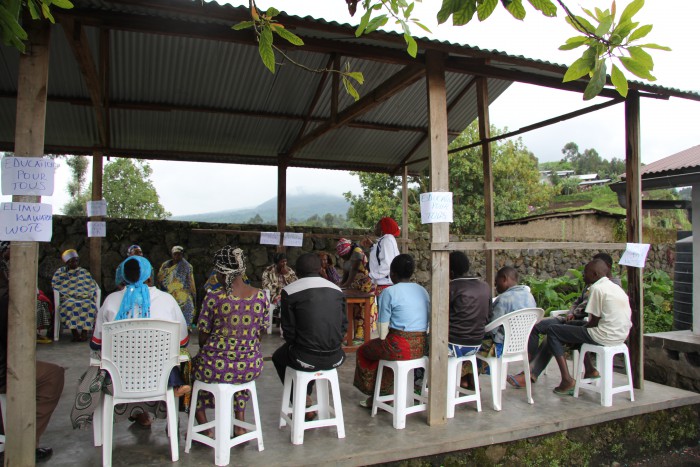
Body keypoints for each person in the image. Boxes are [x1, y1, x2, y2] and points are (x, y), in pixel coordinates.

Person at [89, 255, 191, 426]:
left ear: (123, 277)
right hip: (160, 377)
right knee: (181, 356)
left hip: (119, 379)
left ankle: (139, 415)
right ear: (149, 277)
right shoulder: (168, 300)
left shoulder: (110, 301)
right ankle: (175, 388)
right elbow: (183, 341)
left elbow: (96, 344)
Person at [508, 253, 620, 389]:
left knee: (553, 333)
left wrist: (578, 319)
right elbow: (577, 301)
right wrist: (572, 312)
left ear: (604, 268)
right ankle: (529, 367)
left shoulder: (610, 286)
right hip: (572, 319)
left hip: (588, 323)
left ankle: (531, 374)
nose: (585, 274)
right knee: (536, 326)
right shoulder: (592, 284)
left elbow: (595, 316)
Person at [193, 246, 269, 436]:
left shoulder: (214, 297)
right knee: (238, 372)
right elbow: (259, 334)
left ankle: (205, 427)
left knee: (186, 373)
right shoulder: (260, 296)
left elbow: (202, 339)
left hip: (216, 367)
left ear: (220, 271)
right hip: (251, 365)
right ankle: (240, 424)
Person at [0, 260, 64, 462]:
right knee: (53, 375)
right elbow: (15, 340)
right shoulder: (5, 300)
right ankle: (25, 441)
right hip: (4, 370)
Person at [272, 253, 347, 420]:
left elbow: (288, 330)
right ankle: (305, 397)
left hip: (305, 356)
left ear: (297, 272)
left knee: (281, 357)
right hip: (336, 356)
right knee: (306, 353)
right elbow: (343, 326)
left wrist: (298, 344)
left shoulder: (289, 291)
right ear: (321, 269)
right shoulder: (337, 290)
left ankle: (302, 400)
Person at [353, 254, 429, 408]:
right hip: (422, 346)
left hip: (399, 346)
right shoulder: (422, 290)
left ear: (392, 273)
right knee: (385, 351)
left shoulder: (389, 292)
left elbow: (382, 333)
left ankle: (377, 396)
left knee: (365, 350)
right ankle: (398, 392)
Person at [548, 259, 632, 395]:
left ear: (594, 274)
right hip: (620, 335)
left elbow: (593, 323)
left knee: (553, 331)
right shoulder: (615, 287)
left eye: (585, 272)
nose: (583, 275)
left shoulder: (597, 288)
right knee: (574, 328)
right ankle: (590, 370)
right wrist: (575, 328)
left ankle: (567, 380)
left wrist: (576, 332)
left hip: (604, 334)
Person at [464, 266, 536, 383]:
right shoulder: (529, 296)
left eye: (497, 283)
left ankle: (469, 380)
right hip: (520, 345)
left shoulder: (503, 299)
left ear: (504, 279)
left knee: (470, 344)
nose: (496, 287)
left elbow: (491, 329)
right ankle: (470, 380)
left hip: (500, 347)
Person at [447, 251, 492, 390]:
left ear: (450, 271)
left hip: (453, 345)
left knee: (426, 344)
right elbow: (489, 315)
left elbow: (439, 317)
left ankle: (424, 385)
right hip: (477, 344)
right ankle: (464, 380)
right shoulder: (485, 286)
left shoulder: (451, 288)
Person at [1, 242, 53, 343]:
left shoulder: (15, 262)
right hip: (8, 296)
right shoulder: (2, 263)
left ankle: (33, 332)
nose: (12, 252)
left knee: (40, 303)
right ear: (5, 250)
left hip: (16, 293)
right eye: (10, 249)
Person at [51, 249, 99, 342]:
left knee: (89, 304)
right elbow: (57, 284)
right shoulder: (60, 272)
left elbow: (90, 284)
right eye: (73, 261)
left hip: (84, 296)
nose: (75, 263)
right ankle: (74, 332)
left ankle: (84, 332)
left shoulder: (83, 272)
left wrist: (84, 293)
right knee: (70, 305)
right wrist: (71, 293)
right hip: (68, 298)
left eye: (77, 260)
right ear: (67, 262)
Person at [336, 238, 374, 342]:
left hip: (365, 287)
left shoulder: (357, 253)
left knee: (361, 312)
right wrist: (340, 285)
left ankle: (360, 337)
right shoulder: (349, 254)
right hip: (356, 287)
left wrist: (344, 286)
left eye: (344, 256)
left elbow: (353, 272)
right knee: (353, 311)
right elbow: (346, 273)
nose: (343, 258)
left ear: (347, 252)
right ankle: (349, 336)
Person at [157, 245, 196, 326]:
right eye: (175, 254)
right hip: (167, 294)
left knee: (185, 317)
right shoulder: (165, 265)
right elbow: (160, 277)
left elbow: (190, 282)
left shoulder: (187, 266)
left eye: (179, 254)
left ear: (182, 254)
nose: (177, 256)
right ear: (172, 254)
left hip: (182, 295)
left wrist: (191, 294)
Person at [368, 217, 401, 295]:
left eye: (377, 226)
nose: (375, 228)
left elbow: (387, 264)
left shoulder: (387, 240)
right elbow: (381, 255)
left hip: (385, 285)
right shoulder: (386, 240)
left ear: (383, 228)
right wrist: (372, 246)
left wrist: (370, 276)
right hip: (385, 284)